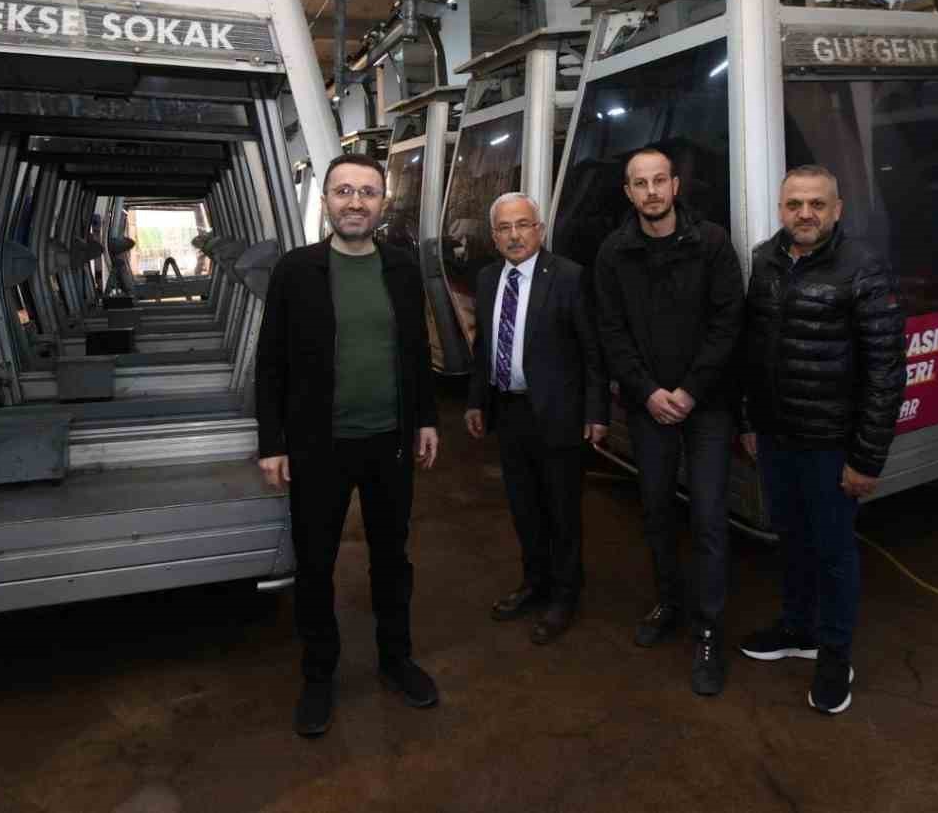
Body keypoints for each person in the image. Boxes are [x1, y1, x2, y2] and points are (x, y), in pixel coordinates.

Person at [255, 153, 441, 738]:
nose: (354, 202)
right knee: (316, 562)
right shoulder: (296, 271)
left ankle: (396, 659)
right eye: (343, 191)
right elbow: (271, 362)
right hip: (318, 446)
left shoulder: (402, 269)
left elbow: (415, 352)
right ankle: (318, 674)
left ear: (382, 202)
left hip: (389, 441)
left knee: (392, 557)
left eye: (366, 192)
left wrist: (427, 420)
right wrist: (273, 441)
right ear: (326, 201)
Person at [737, 164, 905, 715]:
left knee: (833, 553)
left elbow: (886, 371)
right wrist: (750, 421)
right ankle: (797, 629)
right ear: (781, 209)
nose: (804, 214)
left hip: (832, 444)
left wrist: (866, 457)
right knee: (791, 539)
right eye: (794, 205)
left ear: (837, 210)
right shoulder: (764, 259)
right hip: (777, 438)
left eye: (816, 204)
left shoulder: (864, 268)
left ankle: (834, 654)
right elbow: (753, 350)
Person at [594, 147, 744, 696]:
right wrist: (649, 391)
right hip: (648, 405)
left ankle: (709, 630)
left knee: (706, 517)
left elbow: (729, 323)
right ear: (628, 193)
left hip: (706, 405)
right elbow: (611, 331)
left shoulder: (712, 244)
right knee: (656, 511)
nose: (652, 191)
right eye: (640, 183)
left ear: (676, 186)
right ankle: (670, 604)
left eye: (660, 181)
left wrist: (689, 390)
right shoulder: (613, 253)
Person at [465, 192, 608, 645]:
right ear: (494, 237)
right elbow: (484, 348)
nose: (514, 235)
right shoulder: (488, 279)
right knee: (524, 508)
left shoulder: (569, 277)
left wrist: (596, 412)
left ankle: (565, 596)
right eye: (504, 228)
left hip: (560, 414)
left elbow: (593, 352)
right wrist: (475, 401)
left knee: (562, 511)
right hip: (509, 412)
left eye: (523, 225)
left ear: (540, 230)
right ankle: (535, 584)